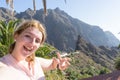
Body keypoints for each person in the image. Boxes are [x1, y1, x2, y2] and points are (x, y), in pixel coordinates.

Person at [0, 19, 70, 80]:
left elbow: (52, 64)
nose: (32, 43)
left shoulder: (35, 61)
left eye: (37, 41)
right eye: (28, 36)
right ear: (16, 36)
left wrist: (59, 65)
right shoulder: (3, 67)